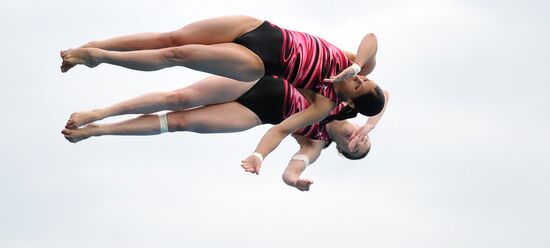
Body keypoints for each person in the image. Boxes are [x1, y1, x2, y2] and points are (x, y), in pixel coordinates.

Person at [62, 75, 389, 191]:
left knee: (179, 122)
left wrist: (294, 181)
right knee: (179, 98)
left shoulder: (317, 142)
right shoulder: (349, 105)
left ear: (342, 151)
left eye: (353, 149)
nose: (354, 140)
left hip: (254, 113)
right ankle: (100, 112)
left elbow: (293, 168)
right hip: (258, 82)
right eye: (362, 139)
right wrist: (372, 124)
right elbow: (383, 97)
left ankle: (99, 130)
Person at [60, 15, 385, 131]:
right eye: (364, 79)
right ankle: (92, 46)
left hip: (256, 62)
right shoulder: (354, 64)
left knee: (176, 54)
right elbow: (372, 38)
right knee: (171, 37)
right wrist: (356, 66)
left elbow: (281, 130)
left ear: (351, 104)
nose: (358, 80)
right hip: (262, 28)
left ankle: (100, 57)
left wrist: (261, 155)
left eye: (358, 87)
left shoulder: (325, 102)